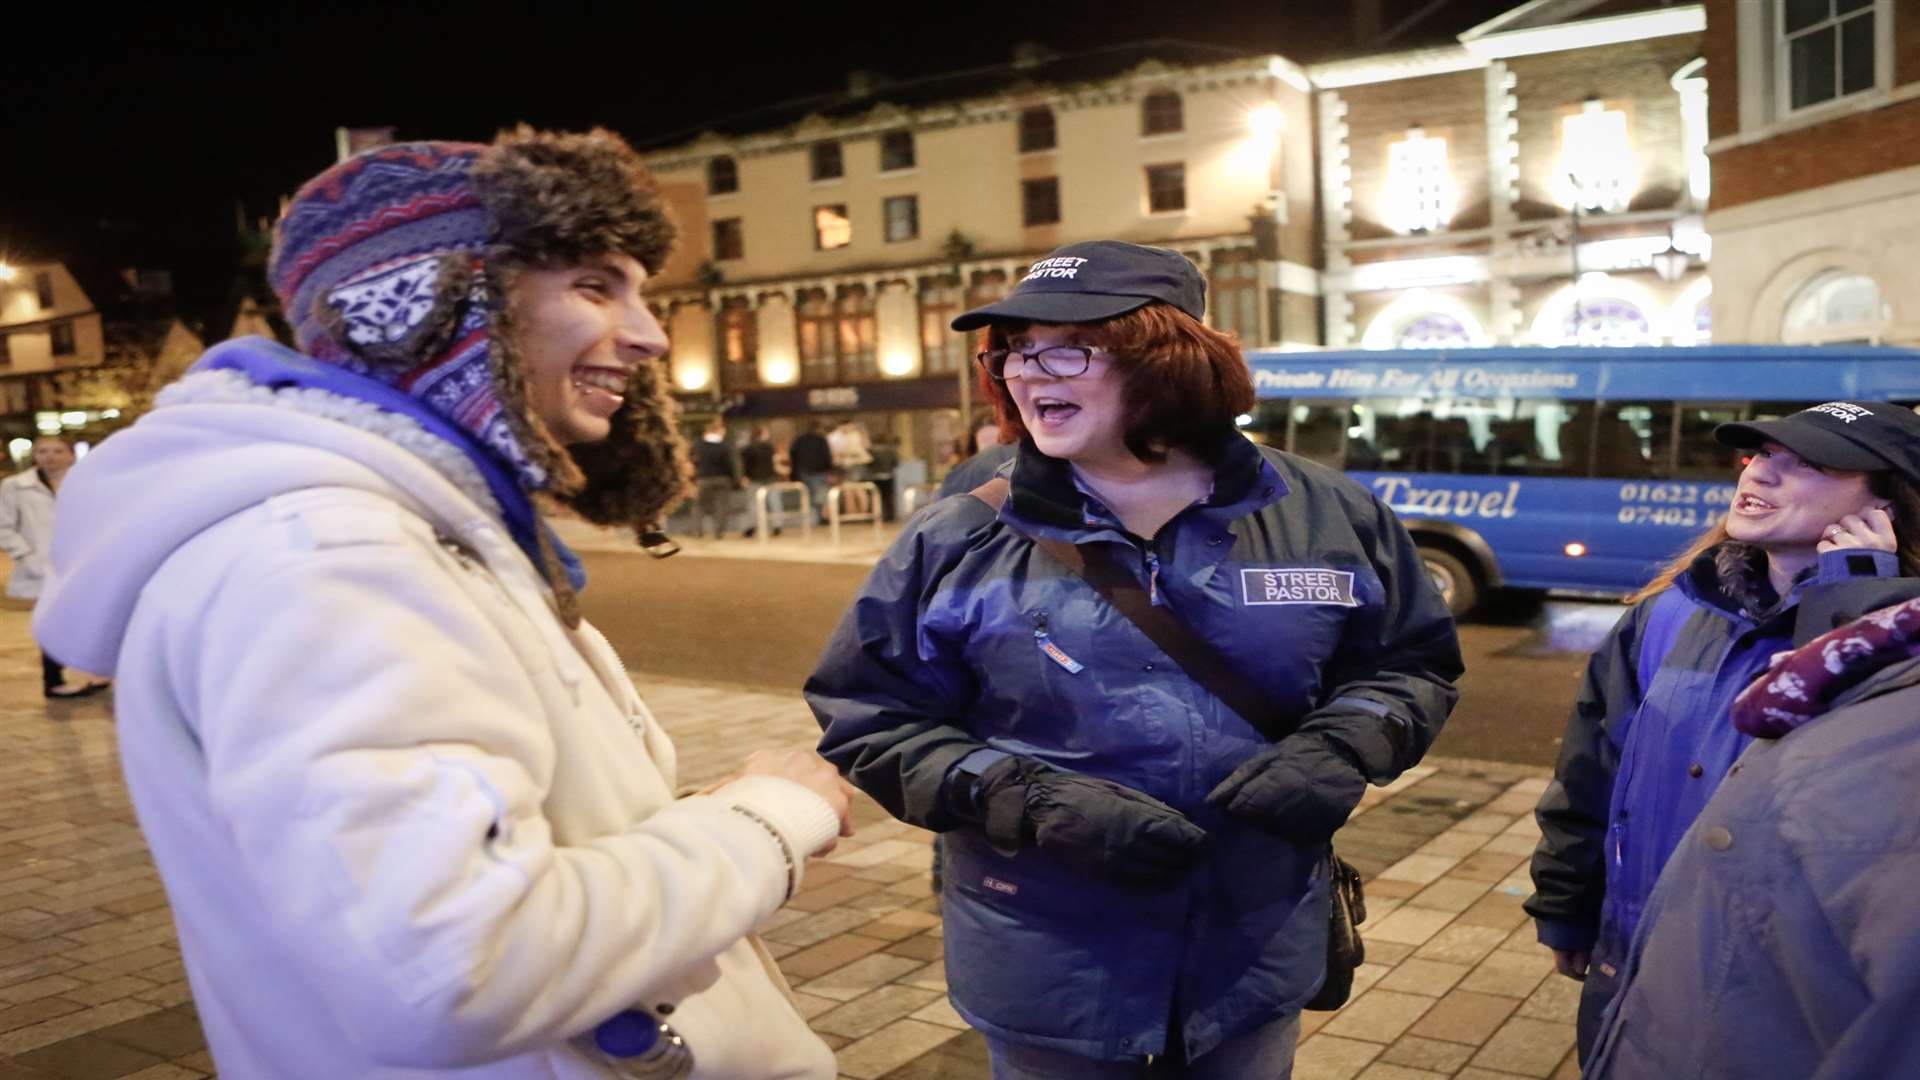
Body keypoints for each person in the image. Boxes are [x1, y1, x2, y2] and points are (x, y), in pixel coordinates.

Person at [32, 130, 849, 1079]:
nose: (650, 334)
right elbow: (454, 968)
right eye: (594, 285)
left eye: (639, 290)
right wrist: (765, 822)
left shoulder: (409, 529)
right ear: (435, 306)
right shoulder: (329, 559)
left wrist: (661, 824)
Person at [806, 240, 1462, 1077]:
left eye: (1068, 349)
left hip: (1251, 947)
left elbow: (1411, 662)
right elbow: (869, 712)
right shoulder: (963, 532)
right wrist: (1029, 801)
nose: (1030, 374)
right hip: (1051, 959)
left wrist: (1344, 746)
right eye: (1013, 351)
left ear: (1173, 360)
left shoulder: (1330, 514)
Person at [1526, 401, 1920, 1063]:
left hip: (1775, 995)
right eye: (1763, 454)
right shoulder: (1671, 613)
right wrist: (1567, 900)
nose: (1760, 476)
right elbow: (1594, 767)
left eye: (1810, 465)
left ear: (1886, 506)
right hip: (1635, 955)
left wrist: (1856, 598)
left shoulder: (1900, 647)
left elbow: (1861, 800)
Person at [1583, 593, 1920, 1078]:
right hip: (1641, 973)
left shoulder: (1874, 653)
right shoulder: (1678, 605)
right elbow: (1599, 759)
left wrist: (1851, 581)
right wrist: (1568, 903)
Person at [0, 435, 106, 698]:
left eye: (57, 450)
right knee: (52, 623)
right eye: (42, 451)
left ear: (71, 454)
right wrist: (26, 556)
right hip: (42, 566)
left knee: (92, 618)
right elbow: (4, 526)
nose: (49, 456)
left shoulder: (89, 483)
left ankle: (96, 671)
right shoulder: (15, 486)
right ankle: (54, 680)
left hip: (84, 562)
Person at [691, 417, 742, 539]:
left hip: (703, 479)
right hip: (722, 479)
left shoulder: (698, 445)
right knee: (721, 506)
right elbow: (733, 463)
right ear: (720, 430)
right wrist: (736, 480)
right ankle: (718, 533)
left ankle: (697, 531)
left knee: (699, 506)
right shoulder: (726, 445)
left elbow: (692, 461)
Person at [740, 423, 782, 537]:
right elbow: (775, 461)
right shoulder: (770, 447)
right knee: (774, 502)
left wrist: (744, 477)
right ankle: (777, 525)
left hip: (754, 478)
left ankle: (752, 526)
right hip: (770, 477)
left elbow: (744, 465)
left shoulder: (747, 449)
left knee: (753, 504)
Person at [788, 421, 833, 520]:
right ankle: (818, 517)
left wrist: (794, 472)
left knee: (807, 495)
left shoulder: (799, 440)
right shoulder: (821, 440)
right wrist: (830, 470)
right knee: (819, 495)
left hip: (803, 471)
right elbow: (827, 456)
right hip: (819, 472)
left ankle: (812, 518)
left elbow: (793, 455)